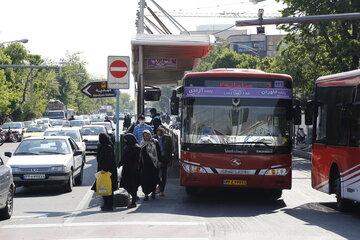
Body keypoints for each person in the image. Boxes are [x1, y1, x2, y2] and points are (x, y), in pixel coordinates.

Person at [97, 133, 118, 211]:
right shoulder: (103, 146)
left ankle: (109, 205)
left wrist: (104, 170)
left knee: (108, 189)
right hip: (103, 171)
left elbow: (107, 161)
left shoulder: (108, 147)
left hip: (107, 171)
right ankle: (106, 204)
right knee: (103, 188)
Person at [120, 133, 141, 208]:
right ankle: (134, 197)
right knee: (125, 184)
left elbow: (133, 158)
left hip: (134, 170)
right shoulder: (127, 146)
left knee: (133, 186)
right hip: (126, 169)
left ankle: (133, 202)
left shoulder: (136, 148)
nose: (125, 141)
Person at [140, 130, 161, 201]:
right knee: (145, 180)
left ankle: (153, 192)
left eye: (147, 135)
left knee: (153, 179)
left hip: (154, 165)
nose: (146, 137)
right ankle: (146, 194)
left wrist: (160, 161)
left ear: (150, 135)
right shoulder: (142, 143)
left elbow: (159, 153)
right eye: (144, 136)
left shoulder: (155, 142)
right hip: (145, 166)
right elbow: (140, 155)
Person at [154, 126, 173, 197]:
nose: (158, 133)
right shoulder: (154, 138)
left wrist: (170, 160)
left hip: (165, 158)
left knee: (164, 175)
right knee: (156, 174)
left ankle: (162, 190)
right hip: (156, 158)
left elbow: (170, 149)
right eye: (157, 131)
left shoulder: (167, 138)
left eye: (160, 132)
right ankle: (160, 186)